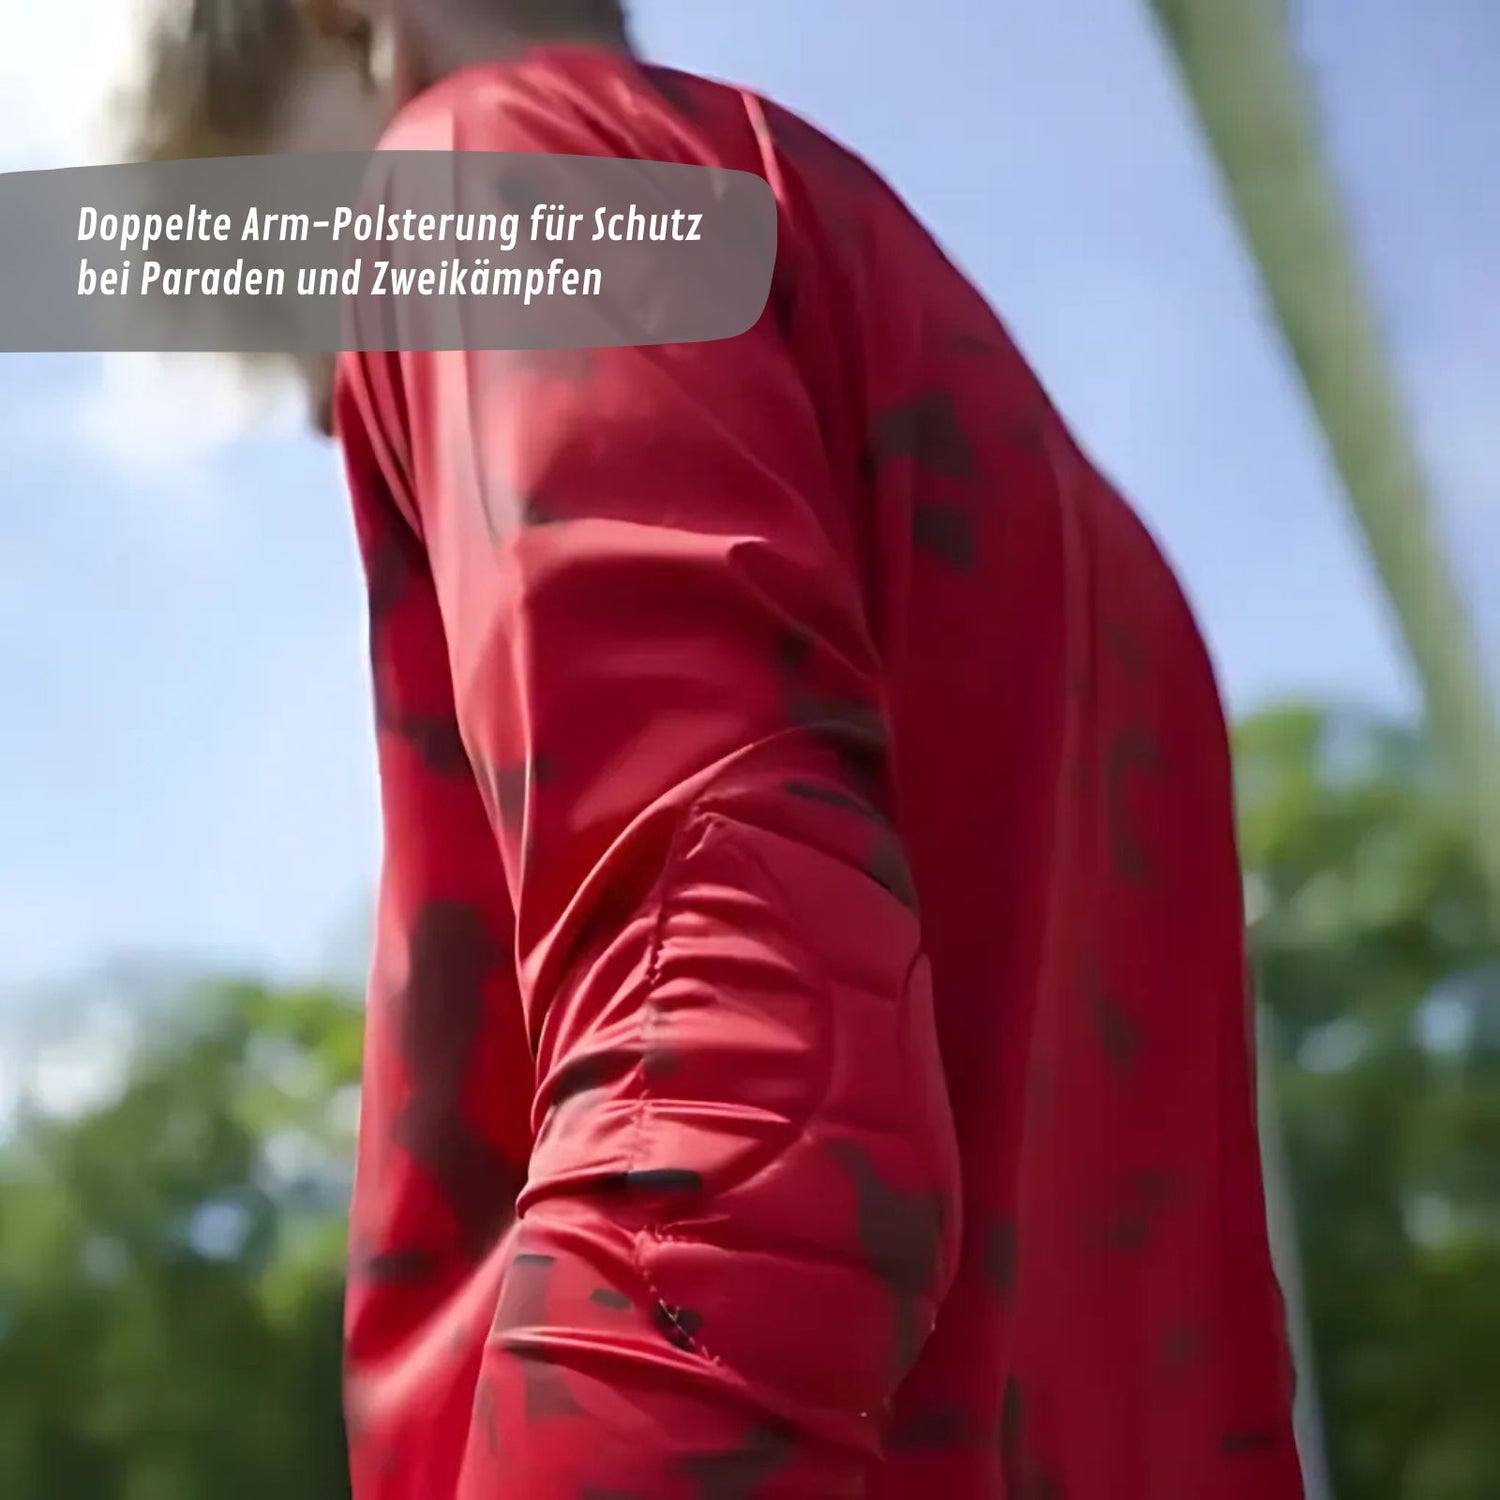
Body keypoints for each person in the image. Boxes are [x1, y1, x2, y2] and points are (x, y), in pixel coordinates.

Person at [126, 2, 1305, 1494]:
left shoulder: (489, 186)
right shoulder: (1062, 512)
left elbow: (718, 1089)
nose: (319, 405)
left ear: (359, 27)